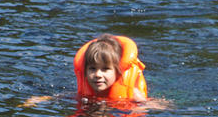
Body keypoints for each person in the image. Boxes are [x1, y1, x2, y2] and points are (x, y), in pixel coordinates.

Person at [20, 34, 152, 107]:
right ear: (85, 70)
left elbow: (158, 105)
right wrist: (41, 99)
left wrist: (142, 106)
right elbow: (64, 97)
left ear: (118, 71)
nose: (98, 75)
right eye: (92, 69)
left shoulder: (132, 94)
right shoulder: (84, 91)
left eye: (105, 69)